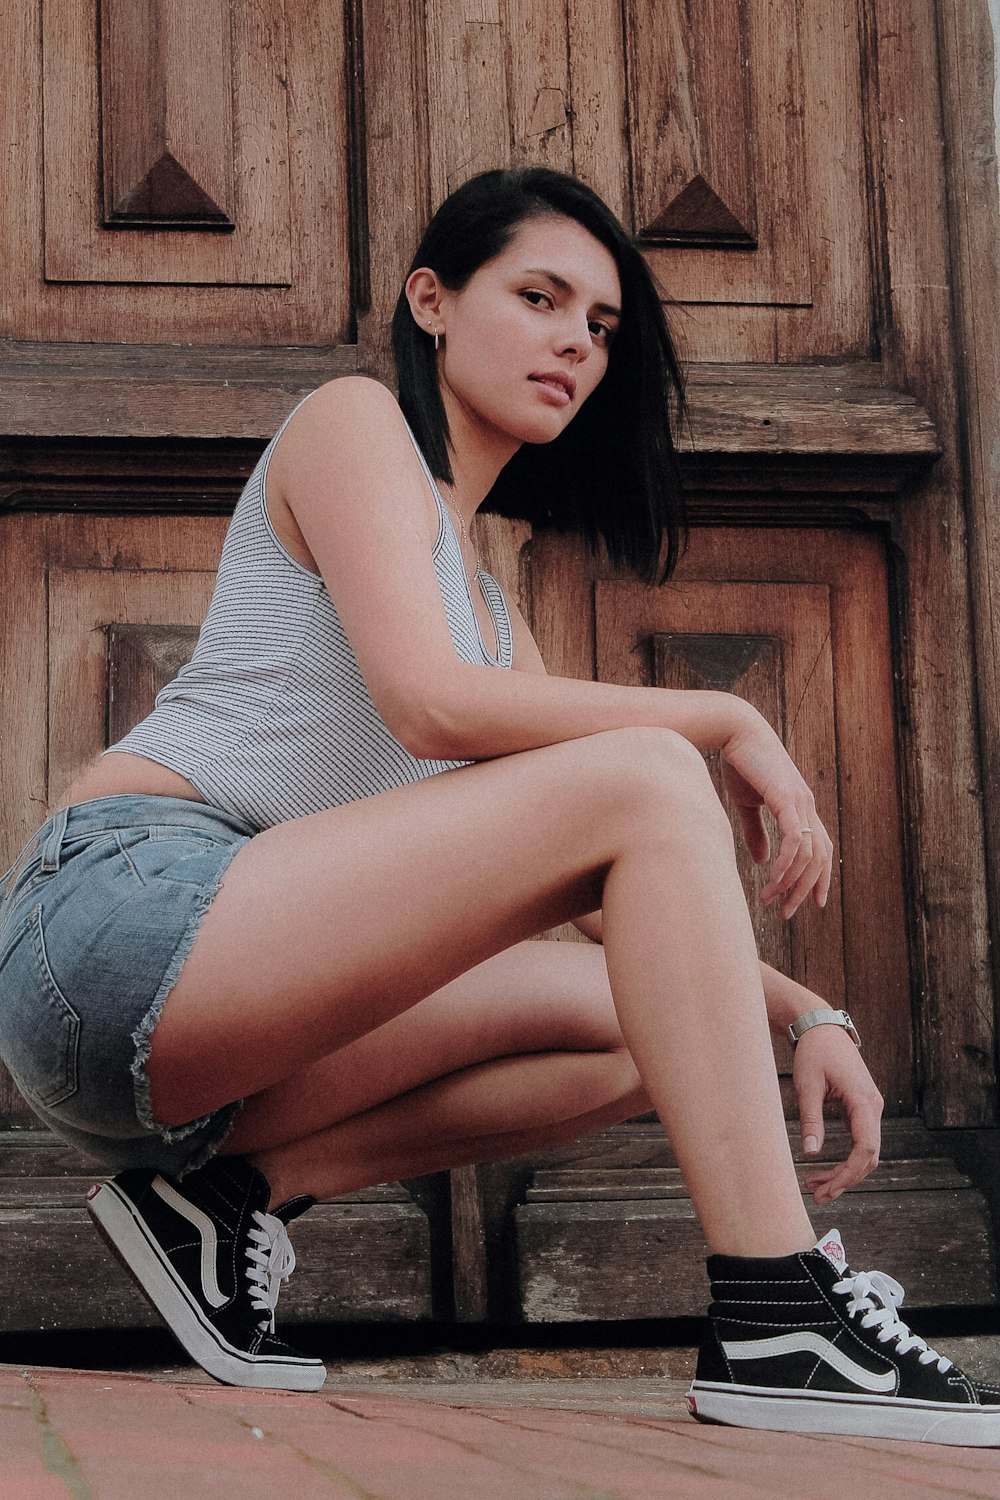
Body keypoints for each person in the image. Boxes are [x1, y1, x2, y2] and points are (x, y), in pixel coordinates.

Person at [0, 166, 996, 1445]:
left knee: (663, 1029)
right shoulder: (352, 424)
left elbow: (619, 919)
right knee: (646, 773)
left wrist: (810, 1016)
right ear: (433, 299)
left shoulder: (489, 609)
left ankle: (222, 1205)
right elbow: (429, 706)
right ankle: (780, 1306)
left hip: (228, 1027)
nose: (574, 343)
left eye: (599, 325)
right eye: (538, 297)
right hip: (110, 921)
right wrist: (723, 717)